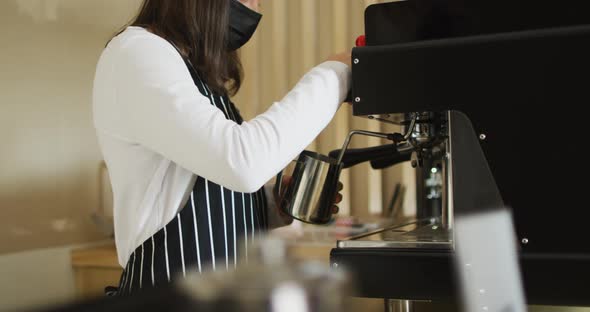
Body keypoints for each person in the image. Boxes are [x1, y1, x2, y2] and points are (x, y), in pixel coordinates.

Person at [93, 0, 351, 296]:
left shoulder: (190, 73)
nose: (256, 5)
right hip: (169, 299)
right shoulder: (137, 52)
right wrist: (335, 75)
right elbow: (242, 162)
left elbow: (198, 185)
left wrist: (269, 205)